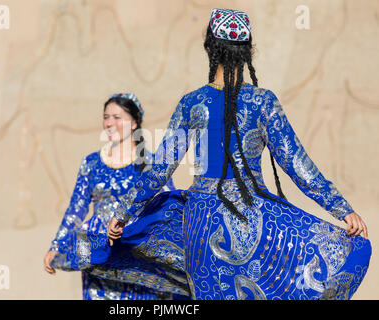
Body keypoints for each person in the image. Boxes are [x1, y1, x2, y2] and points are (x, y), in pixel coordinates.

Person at [108, 9, 372, 300]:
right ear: (248, 52)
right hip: (253, 218)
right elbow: (297, 163)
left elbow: (161, 168)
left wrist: (123, 212)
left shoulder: (192, 103)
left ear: (209, 47)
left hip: (202, 221)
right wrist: (342, 209)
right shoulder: (263, 102)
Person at [43, 93, 186, 300]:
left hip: (137, 254)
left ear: (134, 122)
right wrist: (57, 246)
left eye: (117, 117)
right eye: (106, 117)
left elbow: (167, 205)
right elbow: (76, 209)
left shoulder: (150, 163)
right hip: (99, 254)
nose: (109, 123)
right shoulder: (91, 163)